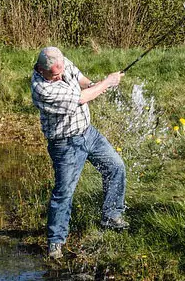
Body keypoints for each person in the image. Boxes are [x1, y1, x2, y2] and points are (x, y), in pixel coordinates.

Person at [31, 47, 129, 260]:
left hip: (88, 133)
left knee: (116, 167)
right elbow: (81, 98)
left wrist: (94, 84)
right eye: (54, 75)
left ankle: (111, 216)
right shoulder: (42, 89)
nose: (59, 75)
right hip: (65, 144)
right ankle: (55, 242)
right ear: (40, 69)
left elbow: (80, 79)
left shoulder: (60, 61)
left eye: (60, 71)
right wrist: (106, 84)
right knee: (64, 192)